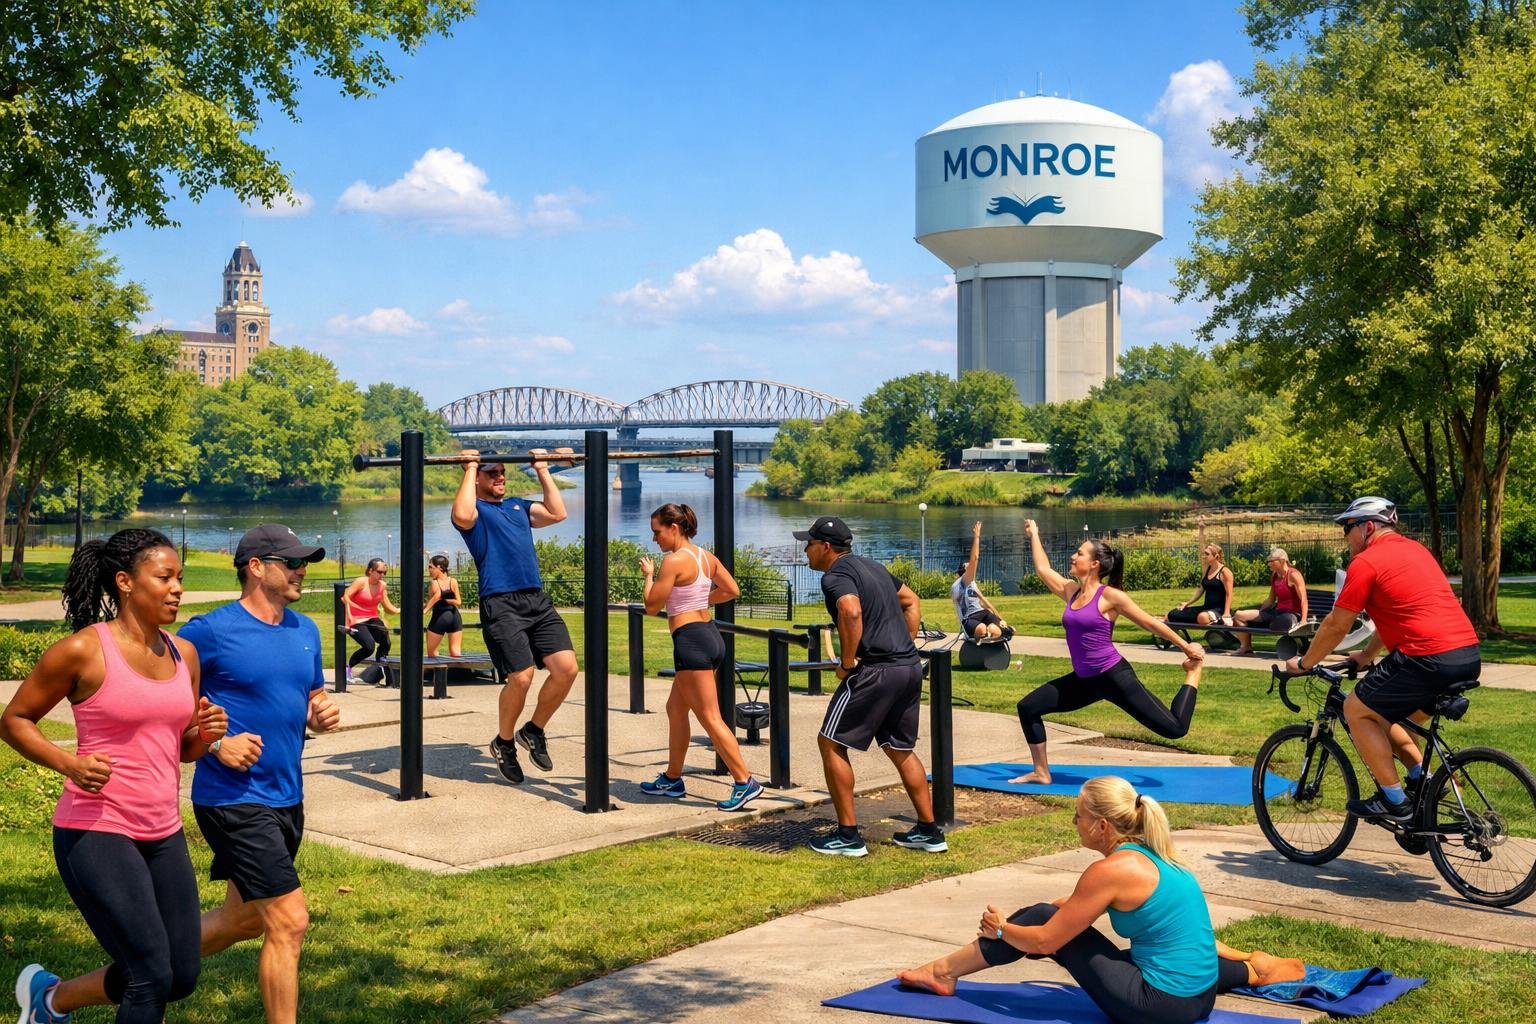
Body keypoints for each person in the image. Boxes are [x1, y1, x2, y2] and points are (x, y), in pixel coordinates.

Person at [1, 529, 226, 1024]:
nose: (177, 589)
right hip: (96, 830)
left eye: (180, 579)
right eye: (164, 577)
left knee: (181, 975)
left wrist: (205, 735)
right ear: (125, 582)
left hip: (163, 829)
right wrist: (70, 763)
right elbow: (14, 720)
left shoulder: (182, 653)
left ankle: (47, 999)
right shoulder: (83, 650)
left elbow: (182, 747)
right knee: (149, 976)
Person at [897, 776, 1304, 1024]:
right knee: (1054, 915)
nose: (1075, 823)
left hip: (1156, 1010)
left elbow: (1044, 943)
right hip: (1200, 1000)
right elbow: (1193, 937)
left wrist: (1002, 928)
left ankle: (942, 972)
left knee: (1040, 918)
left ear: (1102, 826)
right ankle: (1254, 969)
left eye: (1078, 816)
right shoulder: (1159, 857)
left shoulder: (1109, 872)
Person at [180, 523, 341, 1024]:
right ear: (255, 567)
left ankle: (129, 969)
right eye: (291, 562)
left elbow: (308, 694)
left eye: (304, 563)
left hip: (286, 797)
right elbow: (167, 709)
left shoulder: (306, 630)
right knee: (290, 922)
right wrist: (216, 745)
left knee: (243, 920)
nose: (301, 571)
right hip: (232, 799)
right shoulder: (207, 632)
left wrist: (319, 712)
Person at [1286, 497, 1480, 825]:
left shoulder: (1367, 562)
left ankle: (1395, 801)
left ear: (1369, 527)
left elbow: (1336, 624)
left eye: (1348, 528)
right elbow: (1401, 612)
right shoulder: (1417, 552)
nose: (1345, 536)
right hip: (1466, 655)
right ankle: (1424, 780)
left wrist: (1304, 663)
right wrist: (1365, 655)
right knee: (1386, 715)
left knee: (1356, 710)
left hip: (1425, 657)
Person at [1011, 520, 1204, 785]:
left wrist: (1185, 647)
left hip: (1114, 677)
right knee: (1028, 707)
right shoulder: (1071, 591)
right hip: (1083, 681)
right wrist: (1034, 534)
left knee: (1175, 729)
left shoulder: (1110, 596)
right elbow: (1044, 569)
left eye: (1079, 553)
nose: (1073, 556)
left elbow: (1149, 622)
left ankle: (1193, 674)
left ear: (1094, 564)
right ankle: (1042, 772)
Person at [796, 515, 945, 857]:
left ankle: (848, 836)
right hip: (907, 668)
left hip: (875, 670)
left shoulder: (837, 575)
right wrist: (904, 642)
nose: (806, 549)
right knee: (899, 747)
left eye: (809, 543)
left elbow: (849, 611)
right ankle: (929, 831)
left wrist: (848, 662)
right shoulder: (873, 567)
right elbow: (911, 600)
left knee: (830, 743)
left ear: (826, 547)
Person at [452, 448, 579, 785]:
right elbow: (462, 515)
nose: (500, 477)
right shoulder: (475, 511)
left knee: (567, 670)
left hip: (536, 599)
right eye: (491, 473)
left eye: (502, 472)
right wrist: (469, 468)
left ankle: (533, 730)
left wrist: (542, 469)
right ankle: (504, 742)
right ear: (478, 477)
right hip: (500, 602)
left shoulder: (519, 506)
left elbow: (558, 513)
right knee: (521, 677)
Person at [636, 503, 763, 812]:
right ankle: (672, 777)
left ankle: (745, 782)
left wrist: (648, 576)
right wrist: (698, 599)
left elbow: (652, 606)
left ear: (674, 529)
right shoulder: (705, 557)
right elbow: (732, 589)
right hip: (709, 635)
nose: (655, 539)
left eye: (657, 532)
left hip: (691, 641)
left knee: (710, 717)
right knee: (675, 709)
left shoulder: (673, 561)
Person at [1233, 549, 1308, 655]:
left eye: (1272, 561)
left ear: (1282, 561)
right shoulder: (1275, 576)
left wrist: (1303, 620)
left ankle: (1300, 645)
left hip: (1291, 615)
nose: (1269, 564)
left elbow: (1303, 599)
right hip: (1276, 613)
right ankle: (1246, 647)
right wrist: (1260, 613)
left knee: (1284, 621)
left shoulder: (1294, 575)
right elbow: (1270, 600)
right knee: (1238, 615)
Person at [951, 520, 1014, 642]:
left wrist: (1001, 620)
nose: (971, 565)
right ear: (964, 570)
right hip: (970, 618)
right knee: (981, 629)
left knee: (998, 630)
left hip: (983, 613)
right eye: (967, 565)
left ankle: (994, 635)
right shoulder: (961, 582)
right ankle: (981, 636)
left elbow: (986, 603)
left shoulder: (972, 583)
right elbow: (974, 558)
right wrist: (977, 536)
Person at [342, 557, 399, 678]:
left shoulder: (382, 586)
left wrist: (404, 610)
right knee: (369, 647)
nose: (382, 575)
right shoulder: (361, 582)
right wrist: (350, 616)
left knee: (386, 641)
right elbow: (344, 597)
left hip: (372, 618)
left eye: (384, 572)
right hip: (356, 620)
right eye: (379, 572)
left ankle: (380, 667)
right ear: (370, 571)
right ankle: (348, 669)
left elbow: (389, 607)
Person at [1165, 544, 1233, 626]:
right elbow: (1201, 589)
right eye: (1204, 553)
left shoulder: (1224, 572)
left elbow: (1229, 594)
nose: (1204, 556)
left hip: (1218, 610)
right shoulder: (1208, 569)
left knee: (1202, 617)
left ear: (1216, 556)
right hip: (1205, 608)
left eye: (1207, 554)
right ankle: (1171, 637)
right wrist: (1187, 603)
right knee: (1172, 614)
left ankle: (1218, 621)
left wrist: (1226, 613)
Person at [424, 554, 464, 658]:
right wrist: (448, 600)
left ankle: (436, 674)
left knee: (432, 654)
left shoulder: (434, 583)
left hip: (440, 617)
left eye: (430, 567)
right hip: (455, 617)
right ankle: (456, 674)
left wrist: (425, 611)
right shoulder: (453, 581)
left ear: (439, 567)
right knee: (455, 653)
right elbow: (459, 602)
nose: (429, 570)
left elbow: (435, 597)